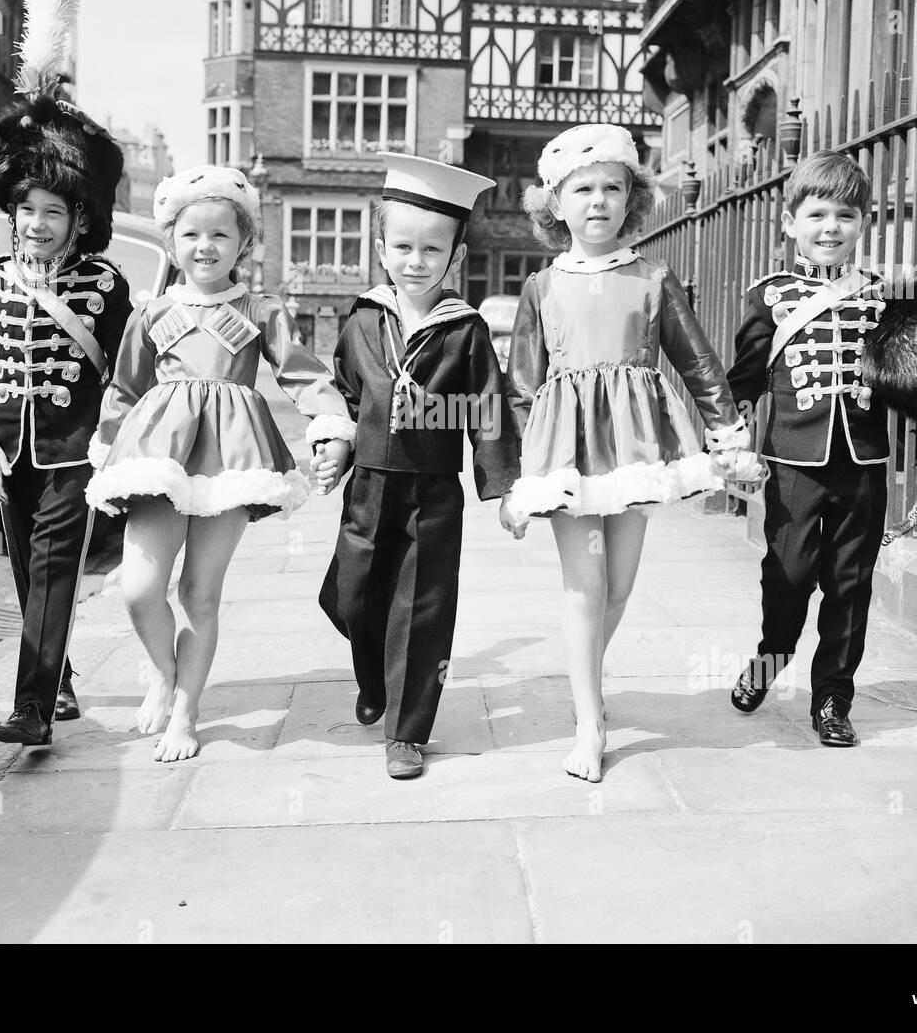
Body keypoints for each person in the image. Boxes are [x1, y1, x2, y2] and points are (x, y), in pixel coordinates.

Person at [506, 123, 760, 783]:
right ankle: (589, 724)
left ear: (632, 199)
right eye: (581, 189)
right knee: (585, 584)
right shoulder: (541, 287)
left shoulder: (653, 279)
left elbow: (697, 361)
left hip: (635, 447)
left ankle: (583, 676)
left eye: (612, 188)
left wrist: (727, 434)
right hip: (565, 452)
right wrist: (516, 478)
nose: (598, 201)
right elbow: (522, 386)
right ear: (555, 203)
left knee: (617, 587)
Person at [86, 166, 355, 762]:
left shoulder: (261, 309)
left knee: (199, 595)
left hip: (231, 461)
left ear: (244, 243)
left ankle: (186, 712)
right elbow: (124, 390)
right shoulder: (150, 313)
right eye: (190, 234)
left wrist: (331, 428)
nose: (204, 246)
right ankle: (163, 672)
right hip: (157, 459)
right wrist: (105, 448)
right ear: (171, 241)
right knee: (139, 589)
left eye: (220, 235)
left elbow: (302, 375)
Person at [0, 0, 132, 749]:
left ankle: (31, 706)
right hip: (9, 451)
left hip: (72, 452)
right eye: (25, 210)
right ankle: (56, 680)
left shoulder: (105, 285)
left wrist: (109, 440)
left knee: (56, 566)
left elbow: (128, 369)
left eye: (51, 212)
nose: (35, 224)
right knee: (27, 571)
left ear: (78, 219)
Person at [314, 153, 519, 780]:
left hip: (433, 490)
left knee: (421, 606)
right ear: (381, 249)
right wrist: (338, 442)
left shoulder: (466, 330)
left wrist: (505, 487)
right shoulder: (362, 319)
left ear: (456, 255)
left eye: (433, 248)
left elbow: (487, 409)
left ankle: (405, 731)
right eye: (403, 246)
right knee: (350, 595)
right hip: (369, 485)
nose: (416, 260)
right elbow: (345, 394)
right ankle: (374, 675)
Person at [726, 148, 887, 747]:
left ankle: (833, 700)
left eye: (846, 216)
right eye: (817, 215)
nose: (831, 228)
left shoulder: (882, 296)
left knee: (851, 583)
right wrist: (736, 443)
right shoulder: (770, 295)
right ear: (791, 222)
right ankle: (771, 656)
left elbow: (911, 373)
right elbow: (743, 381)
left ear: (863, 223)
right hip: (794, 459)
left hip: (863, 459)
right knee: (788, 575)